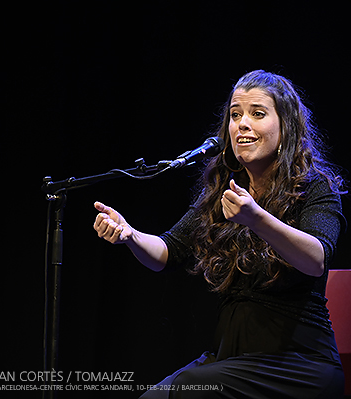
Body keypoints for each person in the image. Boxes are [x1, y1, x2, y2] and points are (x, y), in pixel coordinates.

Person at [93, 70, 346, 399]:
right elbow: (167, 252)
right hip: (233, 360)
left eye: (257, 113)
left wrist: (256, 218)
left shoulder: (315, 188)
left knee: (187, 390)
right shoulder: (221, 193)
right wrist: (131, 235)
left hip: (298, 364)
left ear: (286, 129)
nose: (242, 124)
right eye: (235, 114)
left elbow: (315, 260)